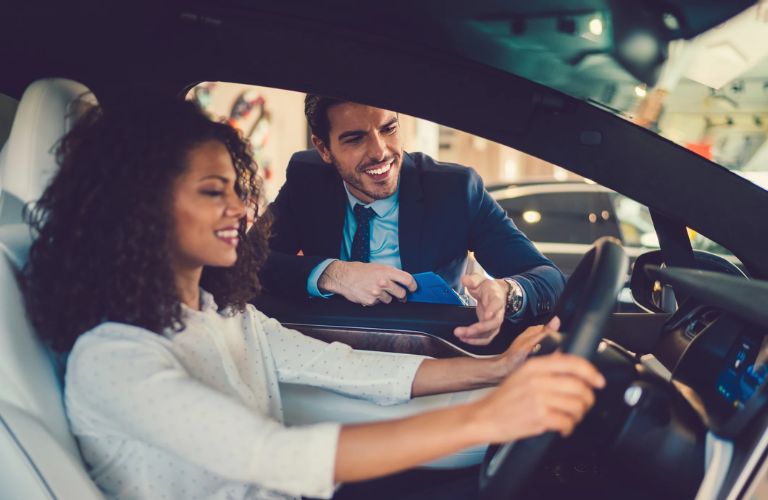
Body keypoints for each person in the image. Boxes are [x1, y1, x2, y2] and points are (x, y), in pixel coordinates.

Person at [23, 96, 604, 500]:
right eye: (211, 192)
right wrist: (490, 415)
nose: (240, 211)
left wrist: (495, 368)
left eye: (235, 189)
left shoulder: (221, 315)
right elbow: (271, 453)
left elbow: (343, 365)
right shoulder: (114, 359)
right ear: (139, 209)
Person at [259, 95, 565, 346]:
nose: (380, 152)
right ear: (324, 148)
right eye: (355, 139)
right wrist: (334, 274)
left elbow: (548, 278)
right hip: (325, 352)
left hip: (428, 352)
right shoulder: (307, 178)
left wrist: (507, 293)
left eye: (389, 129)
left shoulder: (455, 190)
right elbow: (248, 261)